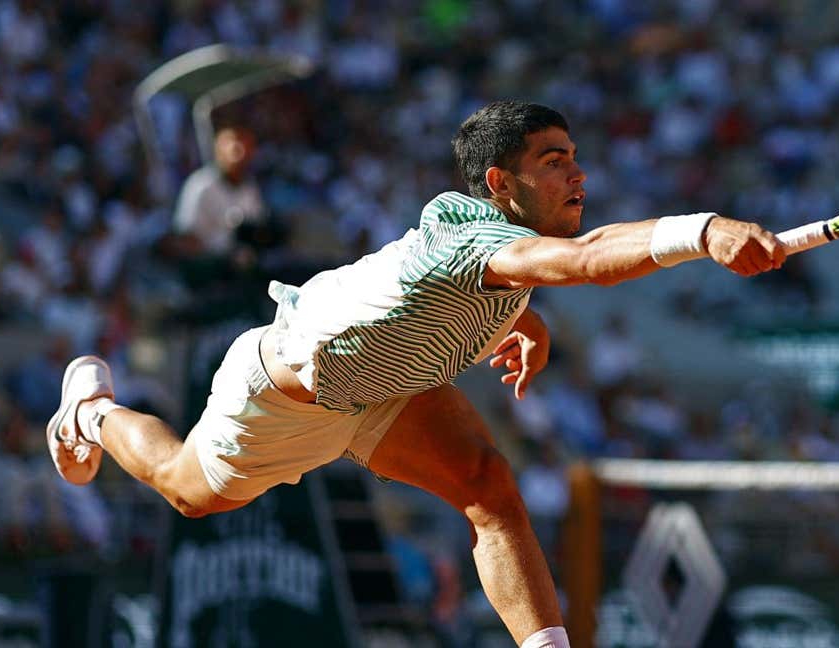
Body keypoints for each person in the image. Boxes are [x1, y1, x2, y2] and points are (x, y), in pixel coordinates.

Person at [47, 101, 785, 647]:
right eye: (553, 159)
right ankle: (90, 410)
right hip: (282, 392)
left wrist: (524, 323)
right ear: (501, 182)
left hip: (382, 392)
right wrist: (705, 230)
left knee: (491, 489)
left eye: (573, 155)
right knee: (185, 490)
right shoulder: (473, 241)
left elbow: (526, 278)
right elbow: (590, 259)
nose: (577, 171)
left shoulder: (508, 250)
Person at [172, 126, 265, 257]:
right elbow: (185, 238)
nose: (240, 151)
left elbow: (257, 227)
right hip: (209, 265)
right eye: (234, 143)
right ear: (219, 148)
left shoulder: (250, 186)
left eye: (247, 144)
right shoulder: (201, 185)